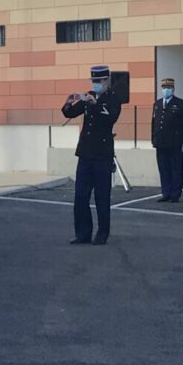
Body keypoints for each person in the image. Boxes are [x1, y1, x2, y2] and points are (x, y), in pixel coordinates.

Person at [62, 64, 121, 242]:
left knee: (102, 197)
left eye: (98, 81)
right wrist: (68, 101)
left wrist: (94, 104)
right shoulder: (89, 95)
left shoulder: (113, 98)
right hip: (86, 153)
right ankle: (82, 233)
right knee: (81, 195)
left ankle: (102, 234)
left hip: (102, 154)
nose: (95, 84)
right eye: (93, 81)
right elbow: (70, 112)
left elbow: (110, 117)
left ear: (106, 80)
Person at [150, 77, 183, 203]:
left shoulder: (180, 104)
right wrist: (153, 138)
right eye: (164, 88)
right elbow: (154, 123)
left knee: (176, 169)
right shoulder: (157, 104)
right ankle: (166, 192)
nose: (166, 90)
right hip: (161, 142)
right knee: (164, 168)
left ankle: (175, 194)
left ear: (173, 89)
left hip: (175, 142)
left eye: (168, 88)